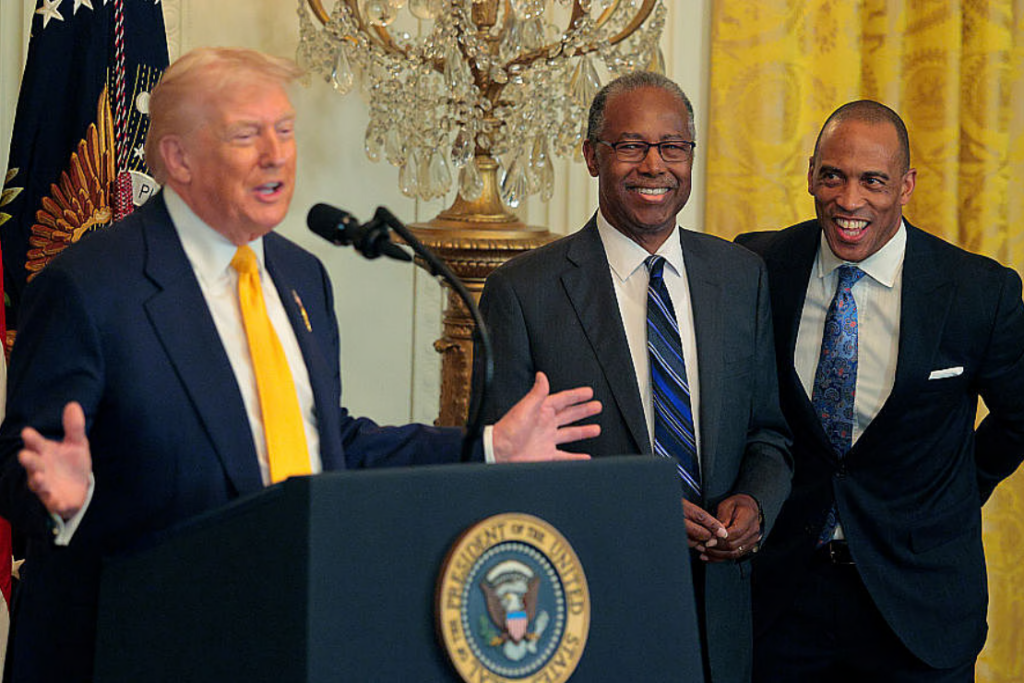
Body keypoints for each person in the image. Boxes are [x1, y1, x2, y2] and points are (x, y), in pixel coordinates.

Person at [0, 47, 603, 683]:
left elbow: (328, 442)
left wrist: (488, 446)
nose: (276, 154)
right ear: (177, 158)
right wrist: (63, 498)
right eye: (245, 135)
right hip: (140, 646)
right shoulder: (90, 287)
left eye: (284, 130)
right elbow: (24, 458)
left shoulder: (299, 275)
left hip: (288, 634)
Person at [470, 71, 793, 683]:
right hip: (590, 606)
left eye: (673, 147)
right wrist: (640, 509)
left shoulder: (740, 275)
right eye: (630, 145)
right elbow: (502, 474)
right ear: (593, 157)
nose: (655, 165)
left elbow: (769, 433)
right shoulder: (522, 291)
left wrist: (754, 503)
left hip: (723, 610)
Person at [736, 100, 1024, 681]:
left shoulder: (977, 291)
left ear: (906, 186)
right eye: (832, 176)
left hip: (918, 606)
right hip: (781, 601)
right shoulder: (758, 265)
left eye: (874, 181)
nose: (849, 200)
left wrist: (957, 489)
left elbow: (1020, 416)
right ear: (811, 172)